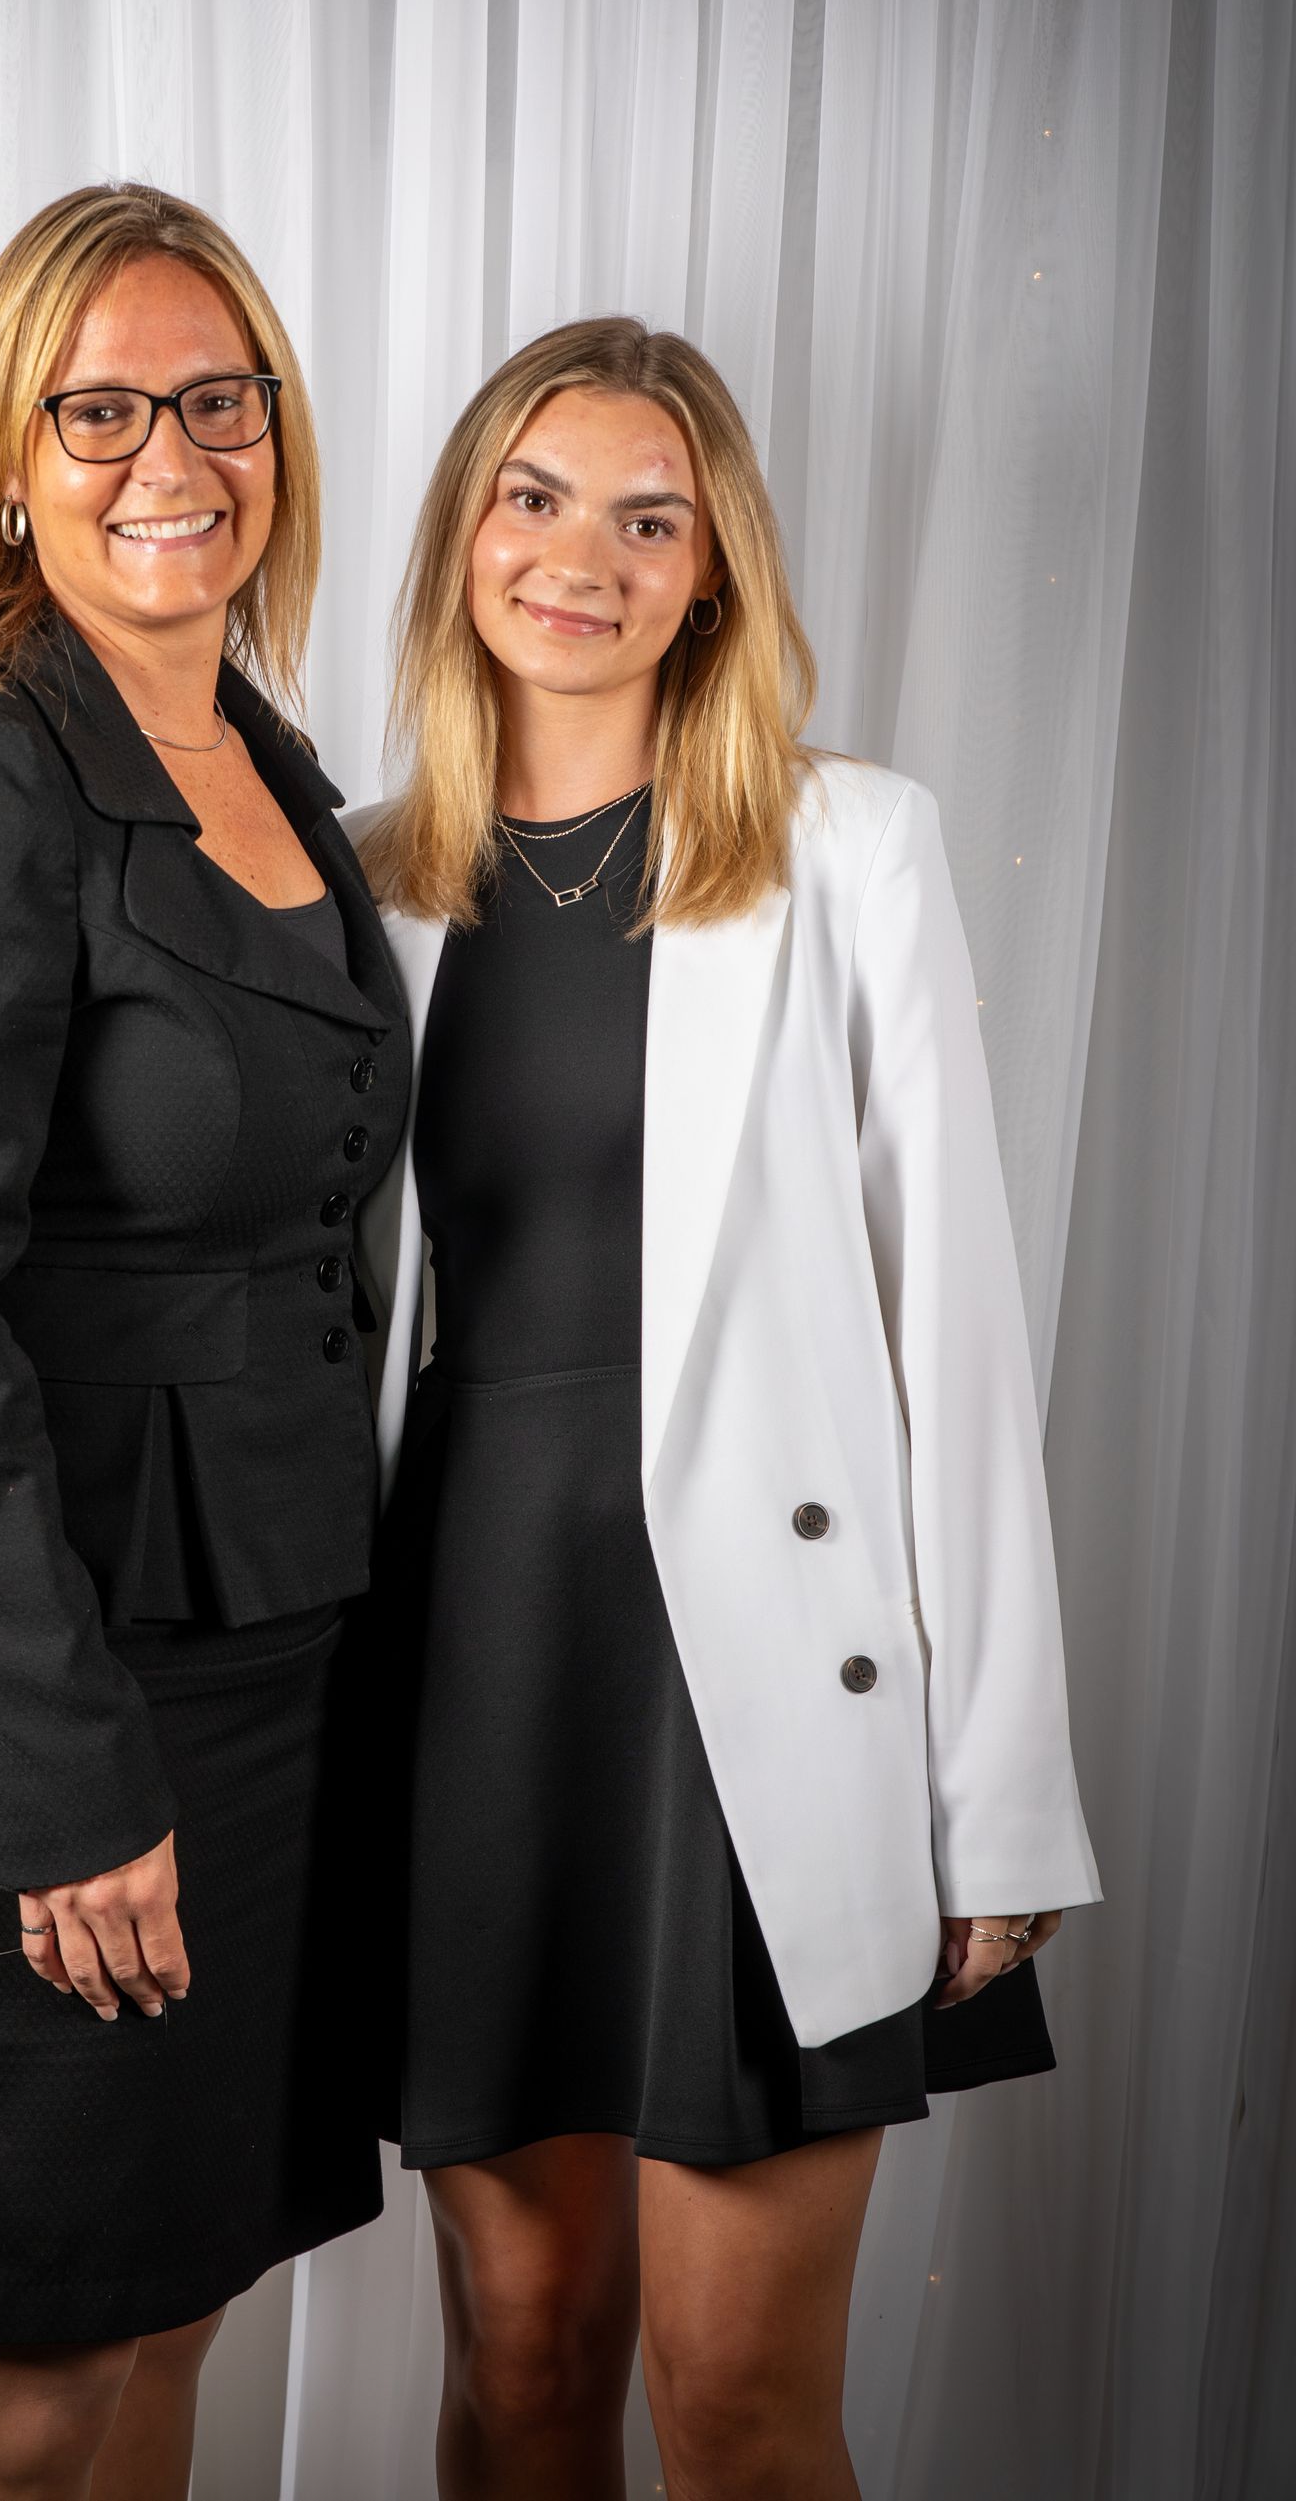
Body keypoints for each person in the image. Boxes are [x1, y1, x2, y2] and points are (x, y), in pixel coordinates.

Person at [351, 319, 1101, 2501]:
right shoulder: (355, 878)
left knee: (743, 2400)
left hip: (759, 1698)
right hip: (467, 1685)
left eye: (647, 517)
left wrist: (1005, 1783)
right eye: (535, 495)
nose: (580, 555)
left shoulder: (847, 847)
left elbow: (955, 1318)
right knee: (522, 2359)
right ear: (462, 533)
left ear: (713, 574)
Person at [0, 181, 409, 2501]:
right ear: (13, 456)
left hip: (263, 1663)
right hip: (25, 1697)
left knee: (172, 2326)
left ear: (277, 429)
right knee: (28, 2385)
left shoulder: (277, 773)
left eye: (216, 397)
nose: (172, 453)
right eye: (103, 406)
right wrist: (65, 1780)